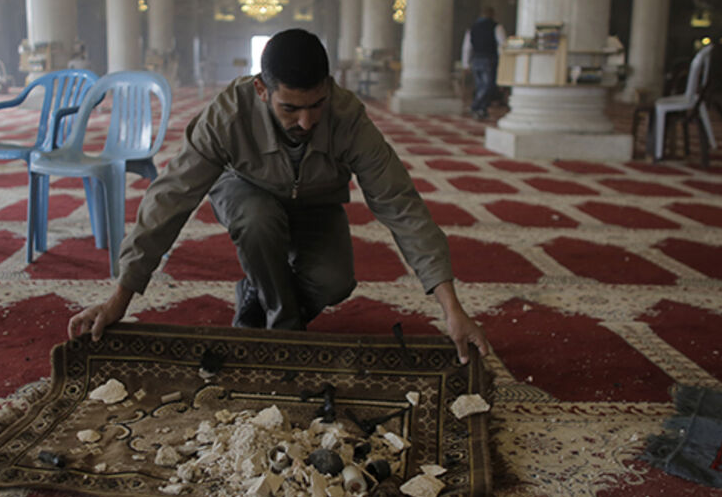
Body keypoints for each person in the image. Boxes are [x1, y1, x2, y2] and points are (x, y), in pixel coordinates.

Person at [68, 29, 492, 364]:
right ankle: (284, 331)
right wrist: (120, 298)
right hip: (246, 191)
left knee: (336, 281)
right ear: (261, 89)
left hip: (316, 201)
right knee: (257, 219)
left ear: (329, 86)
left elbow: (400, 205)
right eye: (290, 109)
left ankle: (257, 296)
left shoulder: (348, 118)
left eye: (316, 105)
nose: (306, 122)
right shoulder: (227, 115)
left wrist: (451, 307)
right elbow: (171, 197)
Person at [461, 6, 507, 120]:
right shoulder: (496, 27)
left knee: (482, 86)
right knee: (487, 86)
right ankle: (477, 106)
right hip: (488, 59)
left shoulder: (472, 28)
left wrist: (466, 63)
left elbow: (467, 47)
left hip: (476, 59)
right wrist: (504, 61)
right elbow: (502, 45)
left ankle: (480, 109)